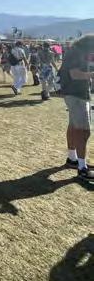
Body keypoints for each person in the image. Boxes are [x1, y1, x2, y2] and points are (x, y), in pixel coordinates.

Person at [58, 34, 94, 180]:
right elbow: (75, 74)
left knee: (74, 127)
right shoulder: (76, 53)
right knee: (83, 131)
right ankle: (82, 168)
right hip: (76, 95)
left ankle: (72, 158)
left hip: (76, 94)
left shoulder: (77, 51)